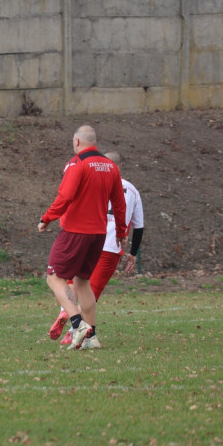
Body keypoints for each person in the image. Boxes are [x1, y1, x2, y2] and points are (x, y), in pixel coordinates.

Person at [38, 126, 126, 350]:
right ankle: (92, 337)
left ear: (76, 141)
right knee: (82, 282)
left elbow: (65, 196)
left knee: (53, 277)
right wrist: (122, 233)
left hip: (76, 231)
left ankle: (77, 323)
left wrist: (47, 218)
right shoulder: (111, 167)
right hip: (99, 234)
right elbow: (119, 204)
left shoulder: (77, 164)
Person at [48, 151, 144, 346]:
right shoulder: (132, 190)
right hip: (110, 245)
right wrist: (132, 252)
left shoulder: (91, 180)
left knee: (74, 281)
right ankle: (79, 330)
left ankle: (67, 314)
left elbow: (71, 203)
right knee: (91, 289)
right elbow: (138, 225)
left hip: (86, 237)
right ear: (119, 167)